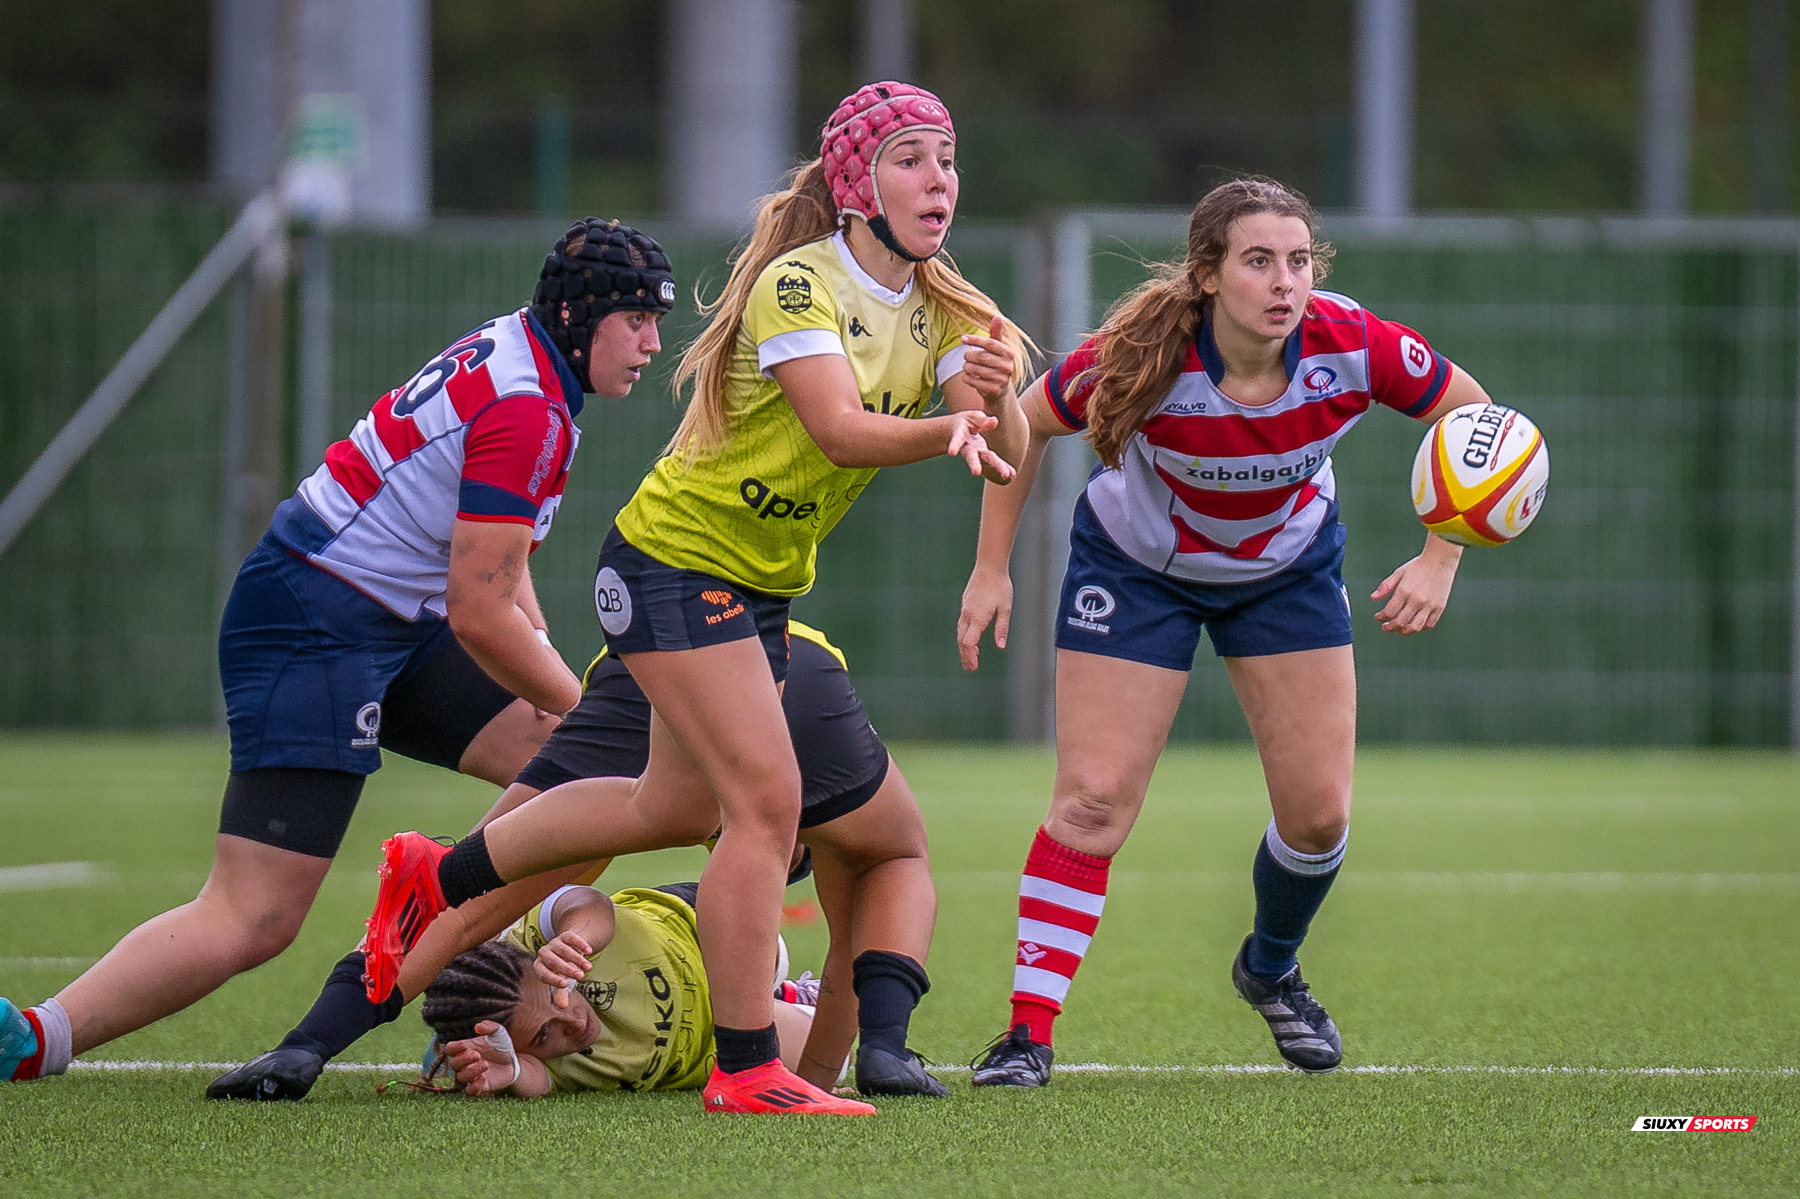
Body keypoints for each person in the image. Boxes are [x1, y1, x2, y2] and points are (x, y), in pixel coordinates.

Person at [357, 81, 1030, 1117]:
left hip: (756, 582)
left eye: (945, 157)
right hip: (674, 559)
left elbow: (1004, 447)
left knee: (668, 807)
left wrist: (992, 392)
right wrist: (956, 428)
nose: (937, 178)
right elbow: (841, 429)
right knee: (767, 805)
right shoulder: (799, 284)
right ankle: (747, 1063)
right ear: (856, 181)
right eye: (909, 157)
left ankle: (436, 876)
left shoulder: (947, 304)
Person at [0, 219, 673, 1085]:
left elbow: (493, 564)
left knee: (579, 782)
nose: (653, 344)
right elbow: (478, 610)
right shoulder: (528, 404)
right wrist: (585, 703)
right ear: (583, 319)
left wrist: (549, 676)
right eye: (637, 320)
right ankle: (37, 1037)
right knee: (257, 913)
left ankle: (480, 996)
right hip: (314, 619)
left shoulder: (529, 362)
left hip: (390, 614)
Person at [957, 177, 1499, 1085]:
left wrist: (1442, 554)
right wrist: (989, 567)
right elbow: (1025, 427)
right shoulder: (1141, 354)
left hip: (1284, 574)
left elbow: (1476, 416)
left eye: (1299, 261)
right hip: (1136, 572)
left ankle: (1271, 965)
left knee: (1320, 819)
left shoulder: (1354, 344)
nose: (1285, 282)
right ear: (1208, 275)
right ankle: (1027, 1034)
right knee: (1091, 799)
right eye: (1258, 262)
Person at [206, 622, 948, 1101]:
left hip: (643, 656)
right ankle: (881, 1049)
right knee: (891, 854)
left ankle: (309, 1042)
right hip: (784, 654)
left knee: (463, 898)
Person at [418, 882, 819, 1100]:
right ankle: (780, 1000)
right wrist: (514, 1074)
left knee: (774, 955)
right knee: (820, 1061)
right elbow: (536, 1080)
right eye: (545, 1035)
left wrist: (575, 939)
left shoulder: (536, 939)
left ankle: (780, 987)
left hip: (700, 935)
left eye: (557, 995)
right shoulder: (528, 1057)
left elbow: (587, 901)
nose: (573, 1021)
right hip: (712, 1040)